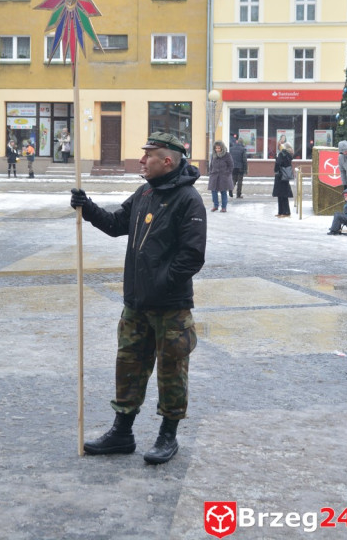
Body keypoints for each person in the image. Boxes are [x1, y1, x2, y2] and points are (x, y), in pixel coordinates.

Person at [70, 131, 206, 464]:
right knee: (128, 366)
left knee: (172, 371)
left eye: (149, 156)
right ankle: (122, 432)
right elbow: (117, 224)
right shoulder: (144, 192)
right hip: (135, 305)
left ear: (167, 161)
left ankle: (167, 435)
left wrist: (161, 284)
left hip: (170, 308)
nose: (142, 160)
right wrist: (88, 208)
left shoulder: (188, 200)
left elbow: (192, 256)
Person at [208, 140, 233, 212]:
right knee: (213, 191)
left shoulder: (227, 155)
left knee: (223, 192)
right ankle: (215, 206)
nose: (217, 150)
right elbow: (211, 165)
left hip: (223, 177)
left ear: (222, 148)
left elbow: (231, 165)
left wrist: (227, 173)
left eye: (219, 148)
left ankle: (224, 207)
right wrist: (211, 172)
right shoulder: (213, 155)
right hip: (214, 176)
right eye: (216, 148)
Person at [272, 141, 294, 217]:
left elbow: (278, 164)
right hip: (285, 176)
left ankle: (284, 212)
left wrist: (276, 169)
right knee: (283, 195)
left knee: (281, 195)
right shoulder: (288, 155)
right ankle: (283, 212)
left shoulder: (282, 154)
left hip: (280, 176)